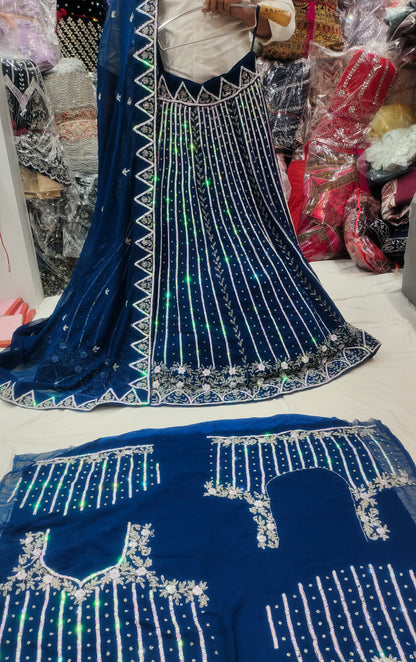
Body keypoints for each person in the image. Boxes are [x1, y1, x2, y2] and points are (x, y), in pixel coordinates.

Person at [0, 0, 380, 411]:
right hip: (164, 107)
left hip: (237, 103)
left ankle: (252, 323)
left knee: (248, 226)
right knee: (174, 233)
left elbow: (284, 22)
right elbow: (126, 32)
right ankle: (183, 336)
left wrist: (245, 13)